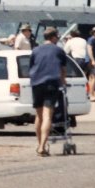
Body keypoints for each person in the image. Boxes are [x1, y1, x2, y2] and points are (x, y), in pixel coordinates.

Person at [29, 27, 67, 157]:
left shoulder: (35, 50)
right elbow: (62, 70)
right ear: (54, 37)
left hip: (36, 83)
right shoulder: (59, 50)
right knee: (47, 116)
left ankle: (40, 144)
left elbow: (31, 66)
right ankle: (42, 146)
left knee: (38, 116)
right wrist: (63, 82)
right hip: (51, 83)